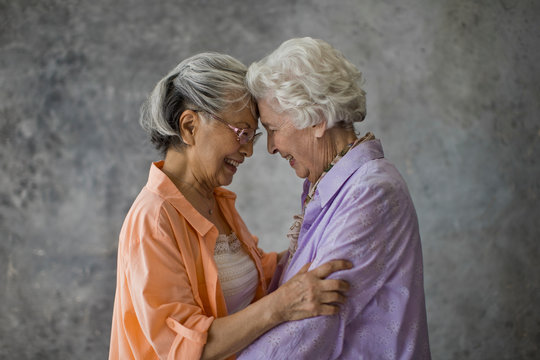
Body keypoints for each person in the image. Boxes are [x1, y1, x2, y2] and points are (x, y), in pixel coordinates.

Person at [108, 52, 352, 360]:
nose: (250, 150)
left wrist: (330, 230)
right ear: (189, 127)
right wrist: (281, 306)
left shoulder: (216, 200)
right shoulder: (153, 219)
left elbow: (258, 278)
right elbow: (181, 348)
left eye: (255, 134)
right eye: (242, 132)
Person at [239, 37, 431, 359]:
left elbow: (311, 322)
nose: (270, 146)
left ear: (316, 118)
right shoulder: (335, 185)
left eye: (273, 128)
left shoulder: (372, 192)